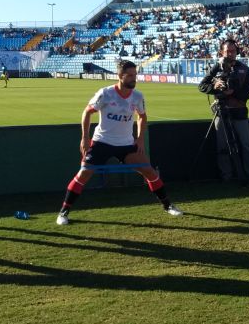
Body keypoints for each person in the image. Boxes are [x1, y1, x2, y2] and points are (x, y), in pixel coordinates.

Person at [56, 60, 183, 225]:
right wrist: (85, 138)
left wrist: (139, 139)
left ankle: (168, 206)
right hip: (102, 142)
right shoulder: (106, 93)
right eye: (130, 75)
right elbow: (87, 112)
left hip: (126, 144)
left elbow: (142, 116)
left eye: (135, 75)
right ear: (120, 76)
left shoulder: (137, 96)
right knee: (83, 174)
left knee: (150, 172)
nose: (133, 78)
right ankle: (63, 212)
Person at [197, 38, 249, 185]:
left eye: (233, 51)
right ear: (222, 52)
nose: (230, 54)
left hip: (239, 112)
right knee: (222, 146)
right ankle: (226, 176)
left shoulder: (244, 68)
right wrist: (215, 86)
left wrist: (232, 92)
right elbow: (202, 86)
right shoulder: (216, 68)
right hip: (221, 112)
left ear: (236, 52)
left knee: (246, 145)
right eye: (227, 51)